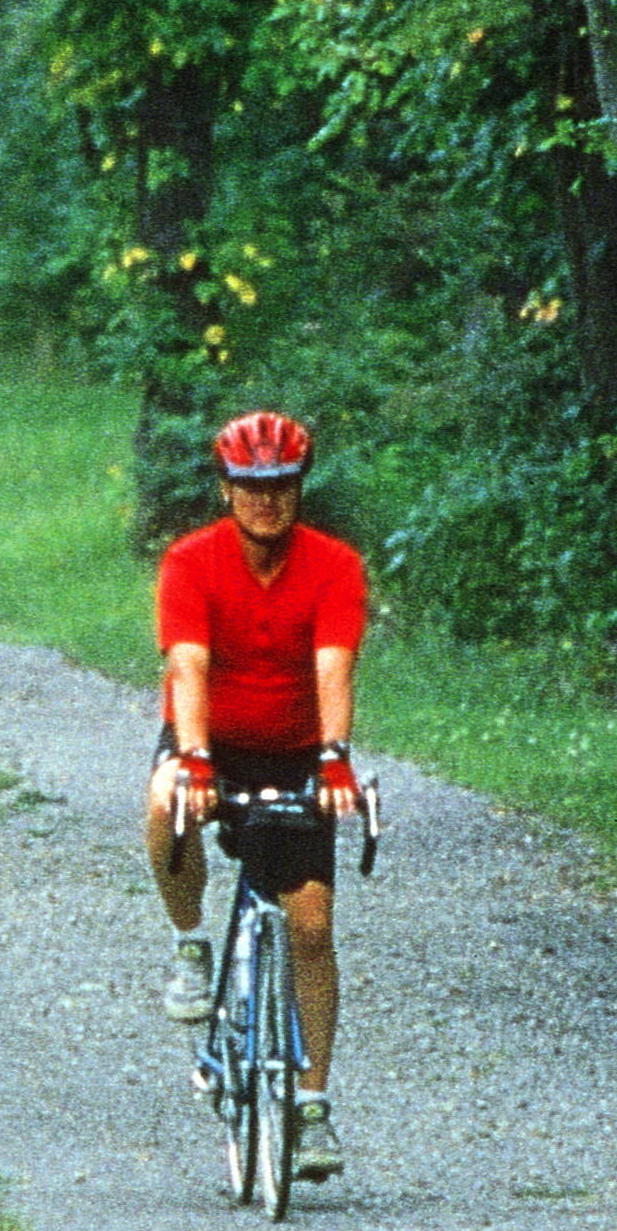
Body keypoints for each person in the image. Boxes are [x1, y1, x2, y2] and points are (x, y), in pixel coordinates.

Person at [147, 409, 372, 1179]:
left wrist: (336, 759)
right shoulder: (190, 561)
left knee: (311, 924)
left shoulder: (334, 564)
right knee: (162, 795)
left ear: (299, 487)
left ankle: (311, 1109)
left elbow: (334, 664)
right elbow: (188, 664)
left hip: (299, 743)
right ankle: (190, 944)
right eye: (251, 486)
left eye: (280, 485)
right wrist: (197, 756)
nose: (266, 501)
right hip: (214, 737)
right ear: (227, 489)